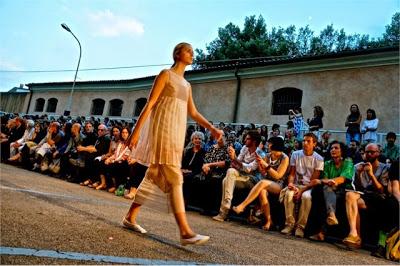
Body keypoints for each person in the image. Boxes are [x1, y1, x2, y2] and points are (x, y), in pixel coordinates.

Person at [122, 42, 223, 246]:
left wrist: (211, 128)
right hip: (163, 128)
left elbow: (193, 113)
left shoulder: (187, 85)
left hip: (177, 132)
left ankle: (130, 217)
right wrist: (136, 131)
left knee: (153, 175)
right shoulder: (165, 75)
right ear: (178, 54)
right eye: (188, 50)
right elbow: (150, 103)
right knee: (175, 177)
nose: (192, 54)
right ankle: (185, 232)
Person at [232, 137, 289, 230]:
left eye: (270, 143)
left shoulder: (284, 158)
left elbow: (278, 175)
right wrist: (260, 164)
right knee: (262, 191)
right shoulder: (267, 155)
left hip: (279, 184)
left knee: (262, 183)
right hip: (266, 182)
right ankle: (269, 221)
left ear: (275, 145)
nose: (268, 145)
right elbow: (263, 173)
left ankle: (243, 205)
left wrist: (265, 165)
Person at [343, 143, 390, 248]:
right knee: (349, 195)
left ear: (378, 153)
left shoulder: (384, 168)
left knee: (353, 202)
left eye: (372, 152)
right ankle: (354, 234)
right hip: (363, 195)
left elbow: (381, 189)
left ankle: (357, 238)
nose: (369, 154)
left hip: (377, 197)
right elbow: (359, 188)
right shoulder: (358, 166)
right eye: (366, 152)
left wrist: (371, 175)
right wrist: (359, 174)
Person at [280, 132, 324, 238]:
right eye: (304, 140)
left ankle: (300, 227)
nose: (305, 143)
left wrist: (301, 191)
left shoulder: (319, 159)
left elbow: (314, 180)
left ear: (314, 144)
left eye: (308, 141)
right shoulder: (295, 154)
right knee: (289, 194)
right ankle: (289, 224)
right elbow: (292, 174)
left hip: (309, 186)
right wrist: (290, 183)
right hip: (296, 184)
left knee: (306, 197)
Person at [212, 130, 261, 222]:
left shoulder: (260, 154)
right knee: (230, 171)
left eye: (247, 139)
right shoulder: (244, 148)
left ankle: (223, 212)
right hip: (240, 174)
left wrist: (235, 159)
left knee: (225, 181)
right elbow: (237, 163)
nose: (245, 140)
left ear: (254, 141)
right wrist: (233, 159)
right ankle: (226, 206)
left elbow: (249, 169)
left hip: (252, 179)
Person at [309, 141, 354, 241]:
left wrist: (332, 181)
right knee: (319, 191)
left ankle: (324, 227)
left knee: (325, 192)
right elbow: (325, 179)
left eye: (336, 148)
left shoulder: (348, 162)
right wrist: (327, 182)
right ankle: (328, 220)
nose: (333, 150)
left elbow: (343, 178)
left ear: (342, 151)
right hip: (329, 188)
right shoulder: (327, 163)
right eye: (331, 148)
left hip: (344, 190)